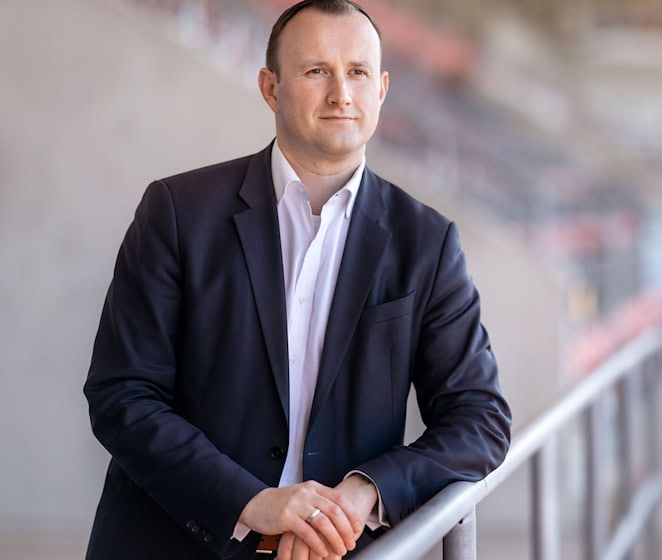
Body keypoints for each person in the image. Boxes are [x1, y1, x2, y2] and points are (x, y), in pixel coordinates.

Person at [83, 1, 512, 559]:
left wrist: (366, 492)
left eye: (357, 72)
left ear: (381, 88)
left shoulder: (426, 243)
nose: (341, 94)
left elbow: (479, 420)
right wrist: (249, 500)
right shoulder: (177, 212)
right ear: (270, 87)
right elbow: (122, 394)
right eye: (316, 71)